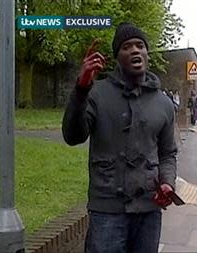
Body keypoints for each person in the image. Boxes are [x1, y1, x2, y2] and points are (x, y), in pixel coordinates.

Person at [62, 22, 177, 253]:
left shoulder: (164, 103)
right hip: (107, 211)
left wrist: (167, 182)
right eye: (126, 47)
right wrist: (81, 90)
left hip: (148, 211)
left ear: (147, 53)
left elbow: (168, 153)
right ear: (117, 57)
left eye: (140, 45)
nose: (135, 50)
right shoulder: (97, 93)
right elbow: (73, 136)